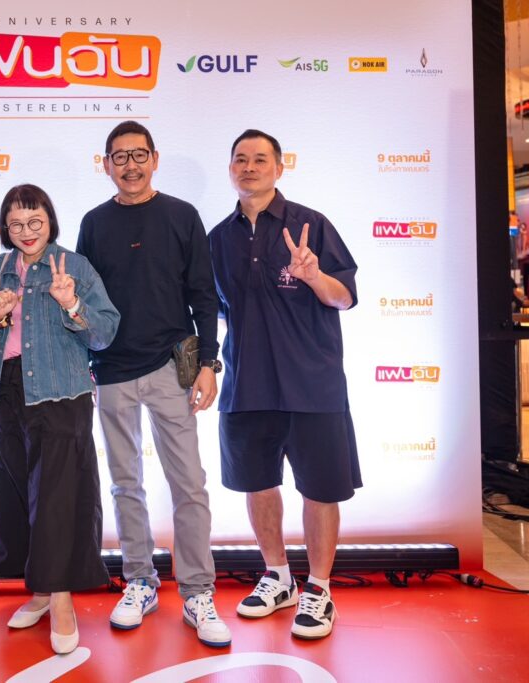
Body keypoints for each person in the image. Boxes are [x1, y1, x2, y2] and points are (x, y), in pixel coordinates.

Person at [76, 121, 231, 647]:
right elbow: (85, 302)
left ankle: (198, 592)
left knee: (189, 484)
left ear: (155, 159)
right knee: (126, 484)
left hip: (170, 366)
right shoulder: (94, 223)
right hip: (112, 370)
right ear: (106, 165)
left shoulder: (182, 216)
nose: (130, 165)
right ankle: (139, 581)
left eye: (139, 155)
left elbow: (203, 295)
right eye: (119, 157)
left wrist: (208, 363)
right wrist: (84, 361)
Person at [208, 129, 361, 640]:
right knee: (257, 482)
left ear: (279, 166)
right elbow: (212, 309)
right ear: (231, 168)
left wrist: (314, 275)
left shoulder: (310, 224)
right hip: (247, 382)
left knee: (320, 488)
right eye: (240, 159)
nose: (249, 167)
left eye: (260, 159)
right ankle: (278, 577)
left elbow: (344, 297)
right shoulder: (217, 238)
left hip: (312, 383)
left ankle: (318, 588)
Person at [0, 184, 120, 654]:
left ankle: (60, 599)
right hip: (7, 392)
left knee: (58, 497)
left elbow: (105, 331)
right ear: (5, 228)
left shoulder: (74, 266)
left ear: (50, 220)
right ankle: (38, 590)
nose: (26, 231)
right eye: (16, 224)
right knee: (18, 493)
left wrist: (71, 304)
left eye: (34, 221)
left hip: (61, 392)